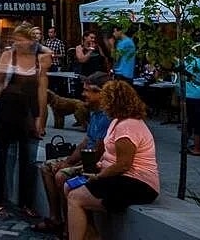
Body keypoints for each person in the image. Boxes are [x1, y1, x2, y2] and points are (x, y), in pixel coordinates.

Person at [65, 80, 159, 240]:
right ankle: (90, 234)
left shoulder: (128, 126)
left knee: (75, 197)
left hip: (136, 182)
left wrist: (99, 176)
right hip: (118, 176)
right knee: (69, 186)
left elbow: (124, 164)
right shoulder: (116, 121)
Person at [0, 22, 51, 219]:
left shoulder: (40, 59)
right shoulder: (8, 56)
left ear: (31, 41)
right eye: (16, 40)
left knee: (27, 159)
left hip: (27, 110)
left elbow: (42, 91)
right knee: (2, 156)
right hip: (7, 108)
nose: (18, 43)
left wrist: (40, 118)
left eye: (22, 39)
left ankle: (26, 203)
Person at [33, 72, 113, 234]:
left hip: (95, 163)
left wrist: (71, 165)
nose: (83, 94)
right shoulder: (94, 112)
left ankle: (70, 227)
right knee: (47, 167)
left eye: (88, 91)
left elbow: (98, 151)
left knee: (62, 175)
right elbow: (85, 141)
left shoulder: (106, 117)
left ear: (101, 93)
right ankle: (55, 218)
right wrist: (68, 160)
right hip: (86, 156)